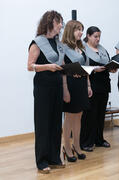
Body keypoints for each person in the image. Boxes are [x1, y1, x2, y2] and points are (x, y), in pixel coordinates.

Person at [27, 10, 65, 174]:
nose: (61, 26)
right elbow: (30, 66)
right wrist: (48, 67)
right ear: (50, 22)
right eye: (58, 22)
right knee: (43, 123)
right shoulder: (37, 42)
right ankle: (42, 161)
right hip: (43, 87)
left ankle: (54, 158)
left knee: (56, 123)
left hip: (57, 85)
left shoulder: (58, 43)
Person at [80, 26, 116, 151]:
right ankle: (86, 141)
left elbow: (108, 63)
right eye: (95, 36)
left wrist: (113, 67)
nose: (98, 39)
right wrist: (94, 70)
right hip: (91, 84)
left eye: (99, 36)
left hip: (104, 84)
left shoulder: (102, 49)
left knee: (101, 114)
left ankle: (99, 139)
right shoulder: (82, 48)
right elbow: (81, 67)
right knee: (90, 115)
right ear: (88, 36)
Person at [62, 20, 92, 162]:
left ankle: (77, 146)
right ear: (70, 31)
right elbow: (62, 71)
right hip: (70, 84)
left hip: (81, 84)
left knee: (79, 116)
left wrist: (88, 86)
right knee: (69, 117)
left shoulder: (82, 48)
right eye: (78, 29)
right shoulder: (63, 48)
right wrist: (65, 89)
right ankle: (67, 147)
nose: (81, 32)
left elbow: (86, 70)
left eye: (81, 29)